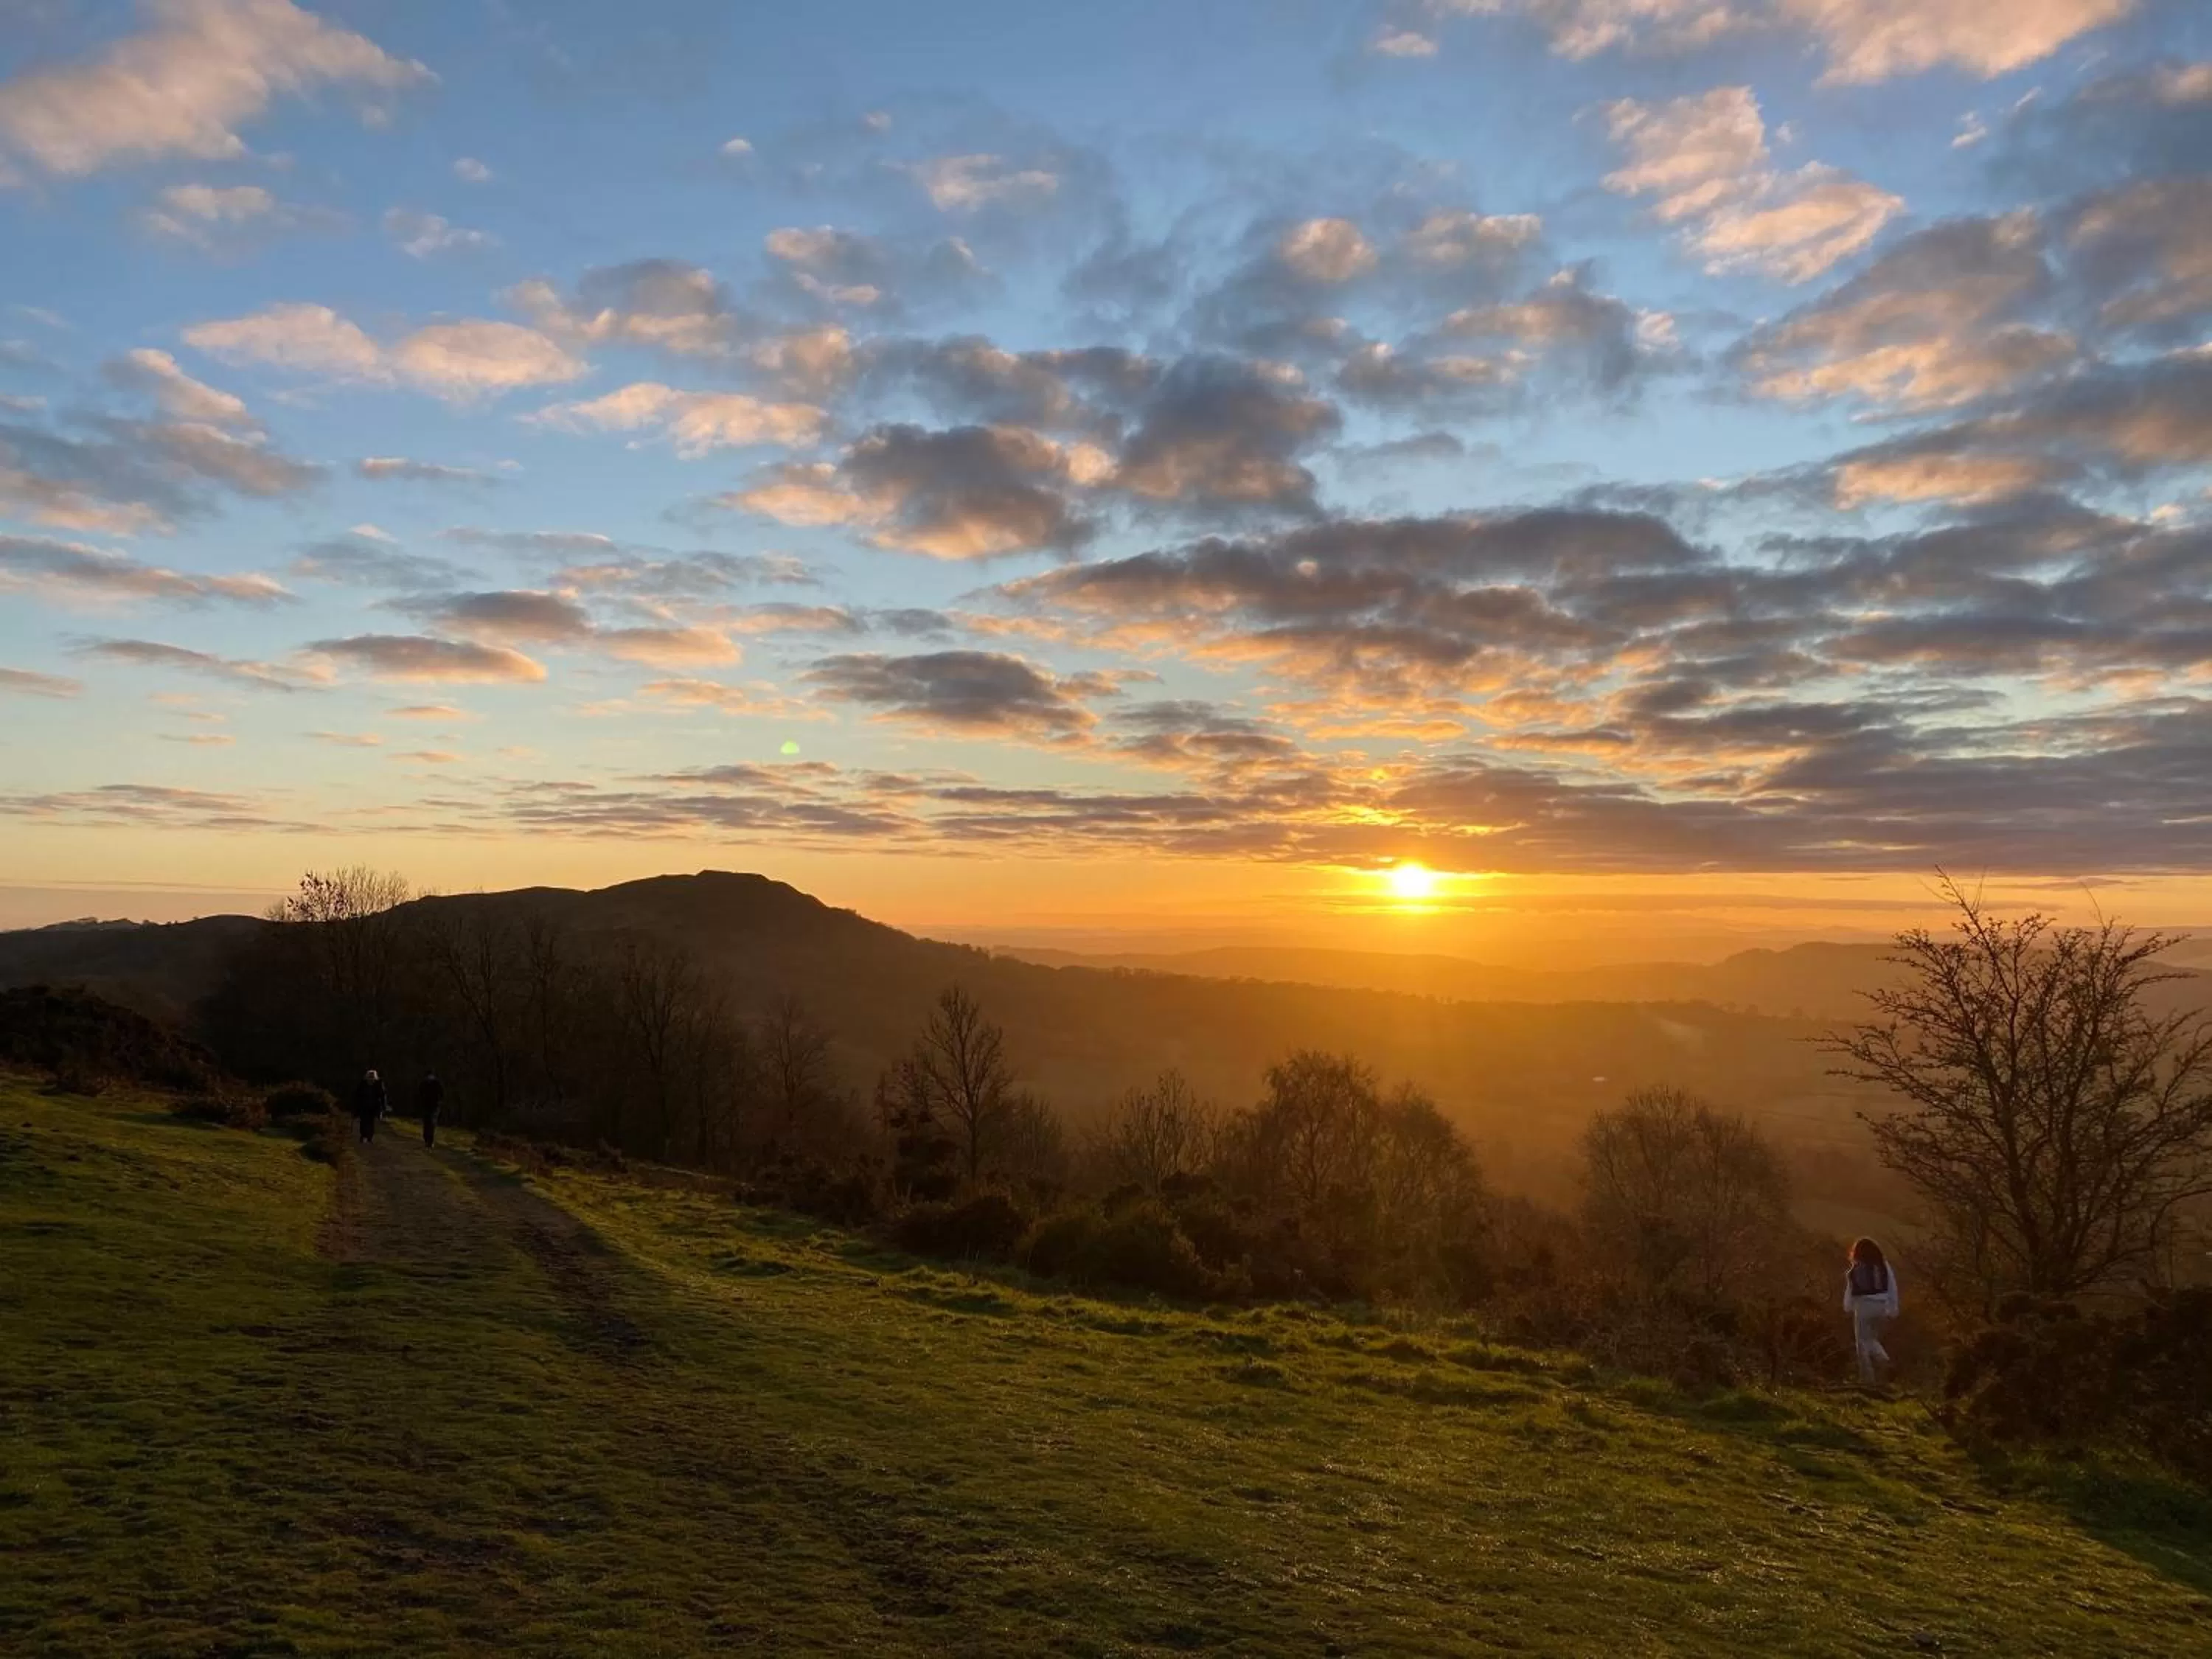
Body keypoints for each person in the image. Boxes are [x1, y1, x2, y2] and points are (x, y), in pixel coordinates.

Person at [1844, 1237, 1899, 1385]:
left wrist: (1848, 1307)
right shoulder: (1883, 1266)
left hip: (1863, 1306)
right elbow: (1892, 1287)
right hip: (1881, 1306)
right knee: (1871, 1339)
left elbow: (1850, 1292)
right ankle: (1885, 1364)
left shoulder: (1855, 1269)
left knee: (1861, 1343)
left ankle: (1867, 1380)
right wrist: (1893, 1308)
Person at [353, 1068, 387, 1145]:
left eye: (373, 1077)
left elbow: (383, 1096)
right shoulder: (363, 1085)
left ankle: (369, 1137)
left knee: (371, 1122)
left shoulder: (378, 1085)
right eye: (370, 1077)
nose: (371, 1079)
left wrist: (383, 1107)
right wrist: (356, 1107)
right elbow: (357, 1096)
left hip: (374, 1107)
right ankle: (364, 1136)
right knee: (364, 1122)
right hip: (364, 1106)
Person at [416, 1071, 445, 1149]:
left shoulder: (437, 1084)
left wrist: (439, 1102)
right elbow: (420, 1093)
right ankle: (426, 1139)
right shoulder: (424, 1084)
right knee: (427, 1122)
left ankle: (430, 1141)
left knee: (432, 1123)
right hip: (426, 1106)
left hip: (435, 1106)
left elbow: (441, 1094)